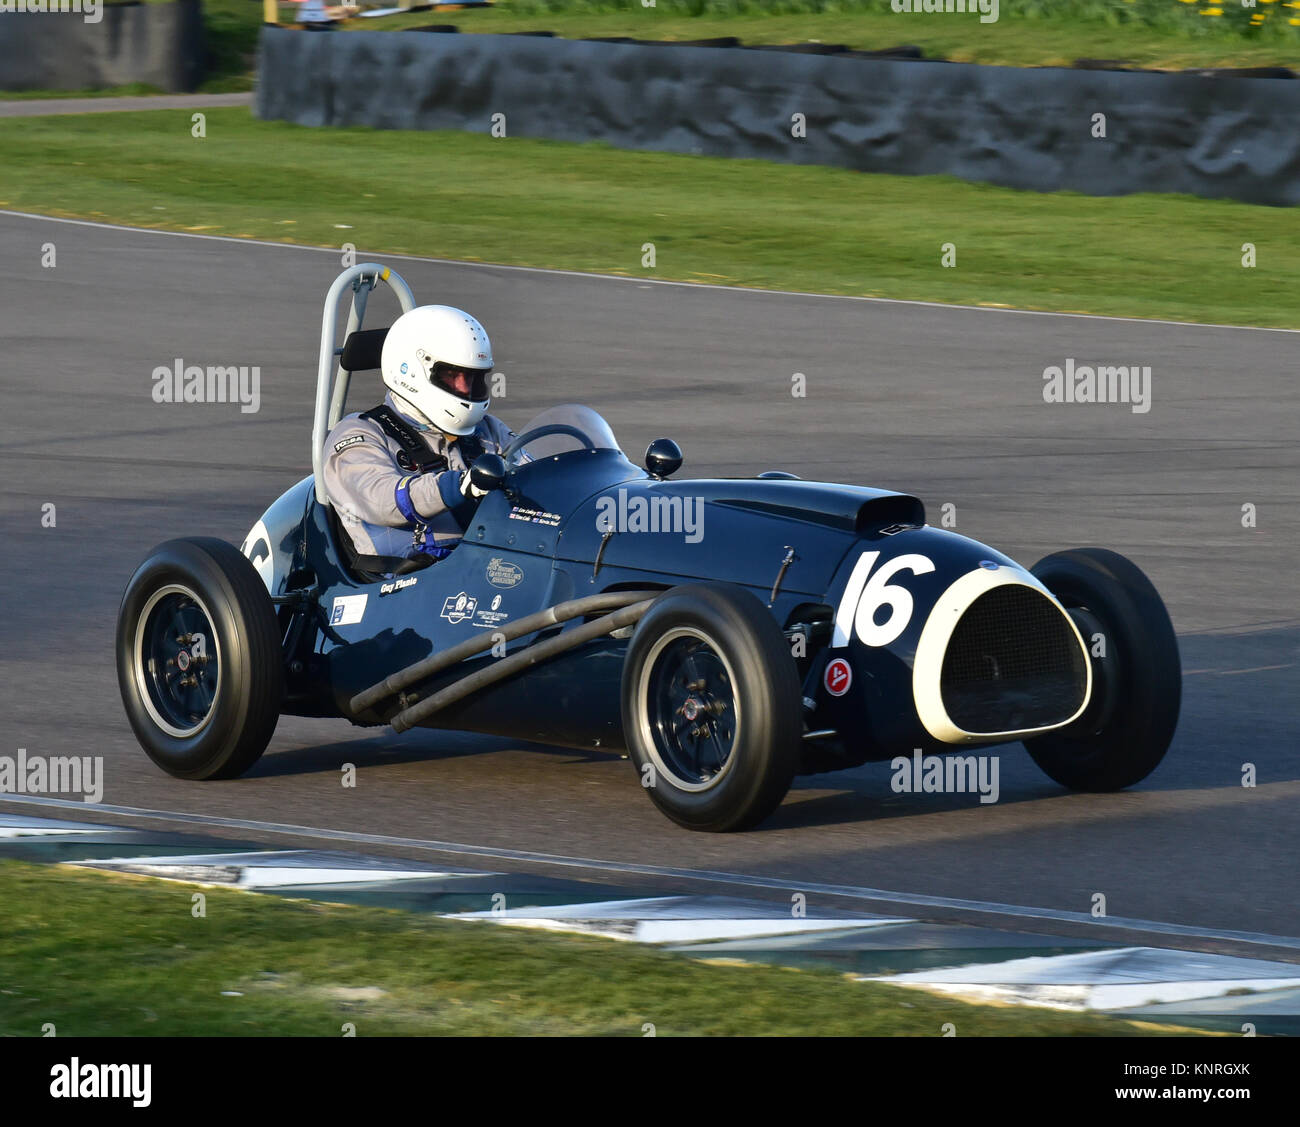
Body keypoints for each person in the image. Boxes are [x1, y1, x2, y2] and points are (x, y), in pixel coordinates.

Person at [323, 305, 515, 572]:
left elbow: (537, 472)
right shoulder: (360, 433)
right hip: (403, 583)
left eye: (472, 377)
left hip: (489, 570)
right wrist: (459, 485)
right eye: (452, 375)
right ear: (410, 371)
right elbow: (381, 500)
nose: (464, 388)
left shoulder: (487, 431)